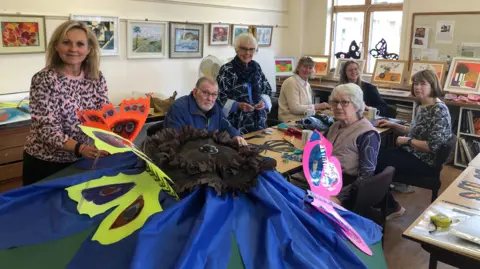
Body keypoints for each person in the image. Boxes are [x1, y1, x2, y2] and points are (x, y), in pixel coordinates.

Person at [23, 20, 109, 186]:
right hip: (47, 162)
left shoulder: (96, 77)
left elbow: (103, 116)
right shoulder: (45, 79)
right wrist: (81, 148)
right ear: (56, 46)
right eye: (66, 42)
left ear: (89, 49)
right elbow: (46, 129)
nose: (73, 49)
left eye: (80, 44)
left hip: (84, 159)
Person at [375, 69, 452, 220]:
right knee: (377, 154)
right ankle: (381, 200)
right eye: (415, 84)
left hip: (425, 161)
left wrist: (407, 141)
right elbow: (416, 131)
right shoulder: (424, 105)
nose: (417, 87)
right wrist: (393, 125)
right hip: (414, 154)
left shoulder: (438, 110)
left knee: (376, 160)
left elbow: (432, 146)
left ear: (432, 85)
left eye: (422, 84)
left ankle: (390, 206)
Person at [324, 83, 381, 208]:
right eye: (335, 102)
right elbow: (319, 153)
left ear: (356, 106)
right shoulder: (335, 126)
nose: (338, 107)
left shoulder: (367, 134)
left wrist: (339, 198)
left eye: (344, 102)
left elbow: (365, 177)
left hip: (347, 188)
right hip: (326, 181)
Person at [163, 76, 247, 146]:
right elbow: (174, 142)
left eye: (214, 94)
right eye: (206, 93)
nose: (210, 99)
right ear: (195, 92)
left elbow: (227, 126)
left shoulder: (215, 108)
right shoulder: (178, 108)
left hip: (209, 153)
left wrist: (236, 136)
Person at [217, 33, 272, 134]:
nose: (247, 53)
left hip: (259, 122)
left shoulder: (256, 67)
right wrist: (237, 105)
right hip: (236, 126)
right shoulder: (227, 70)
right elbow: (219, 98)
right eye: (244, 49)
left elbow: (267, 90)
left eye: (251, 49)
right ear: (236, 49)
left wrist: (263, 102)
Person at [278, 56, 330, 122]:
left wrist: (318, 111)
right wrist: (316, 106)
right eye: (305, 67)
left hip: (304, 119)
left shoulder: (307, 85)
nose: (307, 70)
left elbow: (307, 107)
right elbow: (295, 109)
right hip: (290, 121)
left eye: (310, 68)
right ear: (298, 68)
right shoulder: (291, 82)